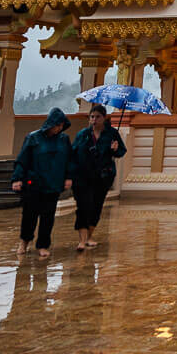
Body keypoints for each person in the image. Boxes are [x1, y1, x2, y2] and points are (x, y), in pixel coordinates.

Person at [11, 108, 74, 259]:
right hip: (34, 183)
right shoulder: (33, 138)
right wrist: (17, 178)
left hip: (53, 184)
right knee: (29, 215)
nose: (59, 128)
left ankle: (43, 245)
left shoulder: (64, 140)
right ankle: (24, 242)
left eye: (61, 126)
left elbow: (69, 161)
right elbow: (22, 160)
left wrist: (68, 177)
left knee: (48, 216)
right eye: (57, 125)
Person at [71, 104, 127, 251]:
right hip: (83, 176)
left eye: (97, 117)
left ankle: (89, 236)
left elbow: (121, 151)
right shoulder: (83, 134)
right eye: (92, 117)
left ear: (104, 118)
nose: (94, 120)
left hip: (102, 176)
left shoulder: (112, 134)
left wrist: (115, 149)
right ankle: (82, 239)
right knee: (83, 206)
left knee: (96, 206)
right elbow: (74, 153)